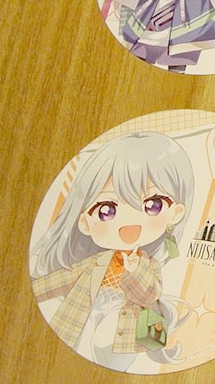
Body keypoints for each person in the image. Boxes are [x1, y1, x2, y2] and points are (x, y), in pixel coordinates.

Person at [30, 133, 193, 371]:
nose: (130, 223)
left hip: (123, 333)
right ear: (85, 222)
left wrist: (135, 270)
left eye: (153, 205)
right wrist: (34, 287)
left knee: (111, 363)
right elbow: (63, 279)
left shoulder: (148, 264)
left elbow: (149, 295)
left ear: (175, 213)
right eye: (106, 210)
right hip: (82, 324)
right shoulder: (95, 262)